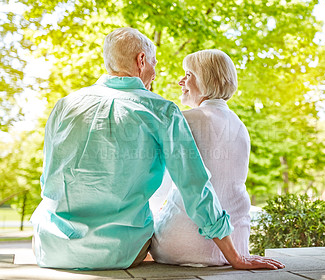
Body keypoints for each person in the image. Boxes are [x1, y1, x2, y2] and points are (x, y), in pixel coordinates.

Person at [30, 27, 285, 271]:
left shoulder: (64, 105)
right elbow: (194, 185)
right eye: (154, 63)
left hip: (51, 247)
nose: (156, 73)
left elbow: (49, 179)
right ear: (141, 60)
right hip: (120, 252)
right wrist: (234, 256)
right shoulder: (162, 111)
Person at [151, 49, 253, 266]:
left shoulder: (183, 120)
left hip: (181, 244)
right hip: (237, 243)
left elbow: (160, 188)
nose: (180, 81)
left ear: (208, 80)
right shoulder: (240, 126)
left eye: (188, 75)